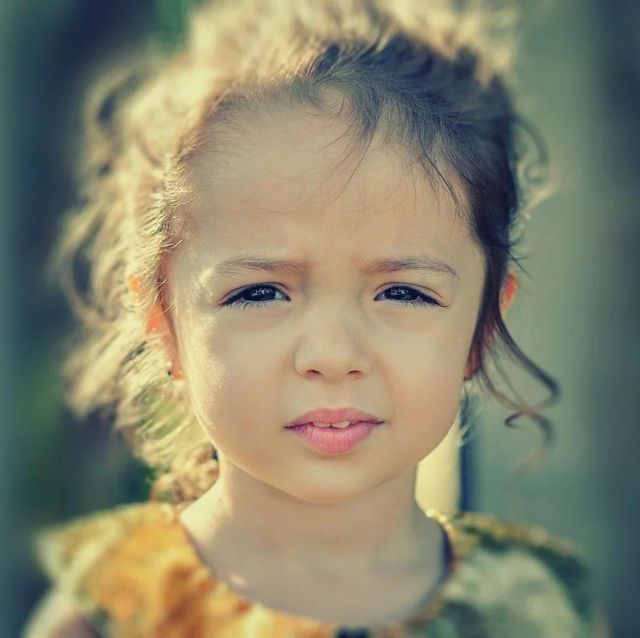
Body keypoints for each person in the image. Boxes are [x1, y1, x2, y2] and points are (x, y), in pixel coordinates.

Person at [23, 0, 607, 636]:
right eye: (259, 293)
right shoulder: (109, 616)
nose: (332, 355)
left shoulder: (537, 610)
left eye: (404, 293)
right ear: (164, 324)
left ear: (482, 328)